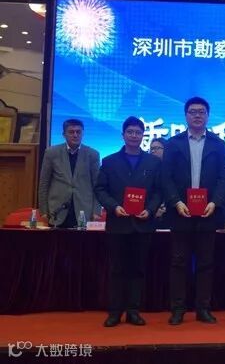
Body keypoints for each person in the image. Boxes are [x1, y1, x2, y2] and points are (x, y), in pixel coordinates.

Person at [162, 97, 225, 325]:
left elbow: (224, 177)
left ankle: (203, 308)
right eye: (193, 112)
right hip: (180, 212)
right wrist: (175, 202)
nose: (197, 115)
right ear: (186, 116)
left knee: (206, 263)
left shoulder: (218, 144)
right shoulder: (173, 143)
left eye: (201, 112)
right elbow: (166, 177)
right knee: (178, 262)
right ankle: (178, 309)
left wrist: (216, 202)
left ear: (208, 116)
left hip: (208, 213)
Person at [95, 117, 162, 327]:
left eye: (138, 132)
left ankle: (133, 311)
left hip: (143, 224)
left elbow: (159, 191)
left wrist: (150, 210)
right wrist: (114, 207)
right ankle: (115, 312)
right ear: (123, 135)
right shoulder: (109, 161)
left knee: (138, 269)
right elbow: (100, 189)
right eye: (130, 132)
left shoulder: (153, 162)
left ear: (143, 136)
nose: (134, 136)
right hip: (118, 223)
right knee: (117, 269)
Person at [38, 118, 101, 228]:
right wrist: (43, 211)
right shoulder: (51, 153)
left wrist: (96, 210)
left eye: (78, 132)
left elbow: (97, 185)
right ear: (64, 134)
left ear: (82, 133)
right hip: (57, 211)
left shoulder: (92, 154)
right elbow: (44, 183)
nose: (75, 135)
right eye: (71, 132)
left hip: (83, 210)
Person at [149, 138, 168, 222]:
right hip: (150, 213)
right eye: (151, 149)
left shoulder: (174, 169)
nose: (153, 151)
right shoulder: (148, 169)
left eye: (157, 148)